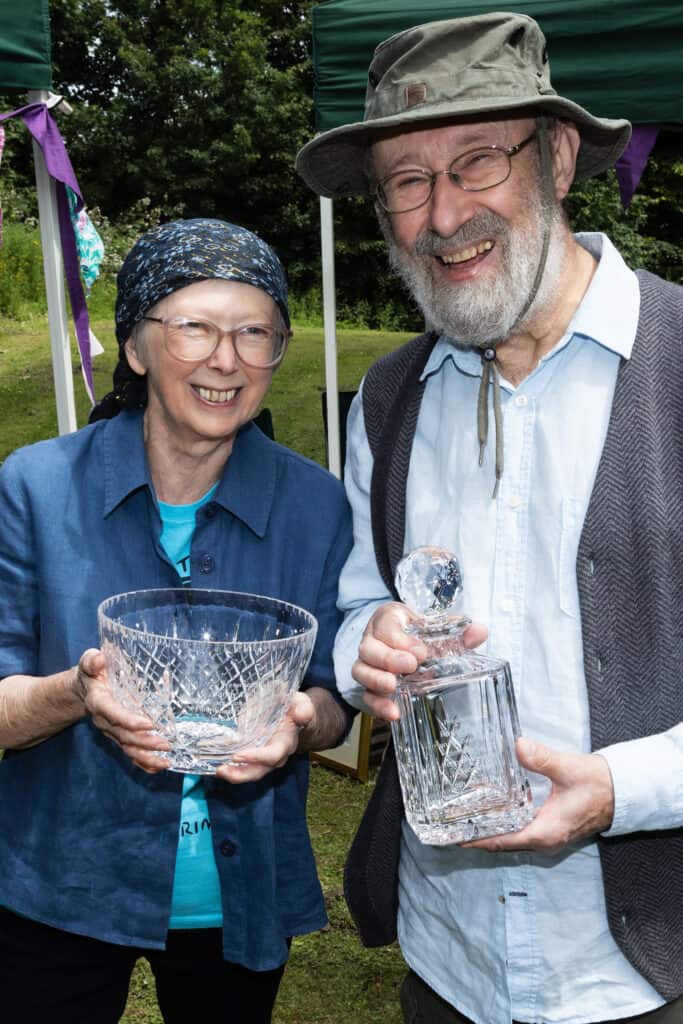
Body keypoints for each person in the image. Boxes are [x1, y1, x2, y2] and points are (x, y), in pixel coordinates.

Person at [295, 12, 683, 1024]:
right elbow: (353, 609)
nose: (441, 215)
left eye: (475, 162)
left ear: (555, 155)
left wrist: (617, 787)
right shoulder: (383, 402)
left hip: (644, 974)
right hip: (446, 964)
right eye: (406, 182)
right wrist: (360, 645)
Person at [0, 217, 354, 1024]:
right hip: (60, 881)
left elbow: (336, 702)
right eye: (193, 327)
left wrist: (301, 719)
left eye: (254, 332)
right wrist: (74, 694)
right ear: (135, 347)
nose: (225, 359)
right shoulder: (35, 488)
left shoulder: (315, 506)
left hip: (237, 893)